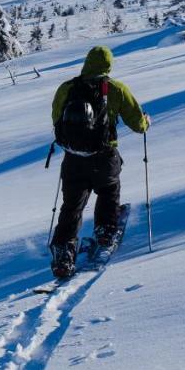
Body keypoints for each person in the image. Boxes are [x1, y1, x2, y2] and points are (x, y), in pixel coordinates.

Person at [49, 45, 150, 278]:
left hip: (73, 158)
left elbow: (56, 118)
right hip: (104, 155)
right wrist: (145, 122)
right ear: (108, 65)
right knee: (108, 190)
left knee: (72, 205)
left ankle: (64, 250)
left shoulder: (67, 88)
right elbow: (137, 123)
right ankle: (105, 230)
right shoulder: (115, 89)